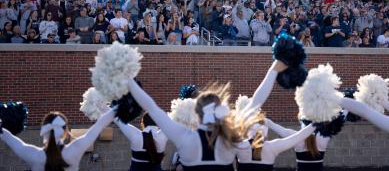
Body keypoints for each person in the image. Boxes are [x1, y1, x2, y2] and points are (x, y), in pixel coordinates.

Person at [127, 60, 288, 170]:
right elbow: (255, 103)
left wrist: (128, 80)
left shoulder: (183, 136)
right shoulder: (229, 138)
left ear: (196, 111)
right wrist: (273, 69)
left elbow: (150, 106)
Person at [0, 109, 115, 171]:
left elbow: (7, 137)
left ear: (44, 128)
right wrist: (117, 107)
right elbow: (100, 124)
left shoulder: (33, 155)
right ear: (66, 131)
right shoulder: (75, 150)